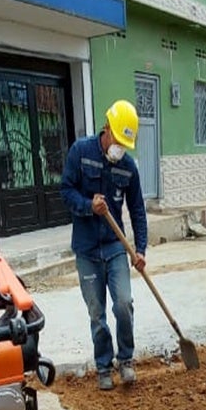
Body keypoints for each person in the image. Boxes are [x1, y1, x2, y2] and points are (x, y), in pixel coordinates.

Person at [61, 99, 148, 391]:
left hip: (114, 246)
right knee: (96, 312)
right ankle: (103, 365)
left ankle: (126, 360)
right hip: (86, 249)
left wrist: (141, 249)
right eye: (118, 141)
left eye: (126, 144)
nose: (119, 148)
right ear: (107, 128)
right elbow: (66, 191)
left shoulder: (128, 167)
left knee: (123, 303)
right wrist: (88, 205)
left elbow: (137, 210)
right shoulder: (80, 152)